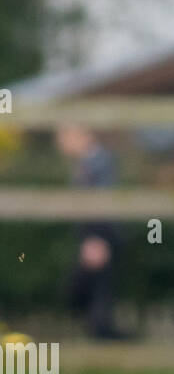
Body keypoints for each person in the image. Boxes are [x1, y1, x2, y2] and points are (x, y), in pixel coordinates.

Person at [56, 124, 129, 341]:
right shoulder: (88, 163)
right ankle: (103, 334)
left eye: (64, 137)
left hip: (100, 233)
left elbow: (103, 201)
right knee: (96, 290)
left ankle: (105, 335)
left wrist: (96, 238)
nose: (61, 144)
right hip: (93, 234)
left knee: (91, 290)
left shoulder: (101, 162)